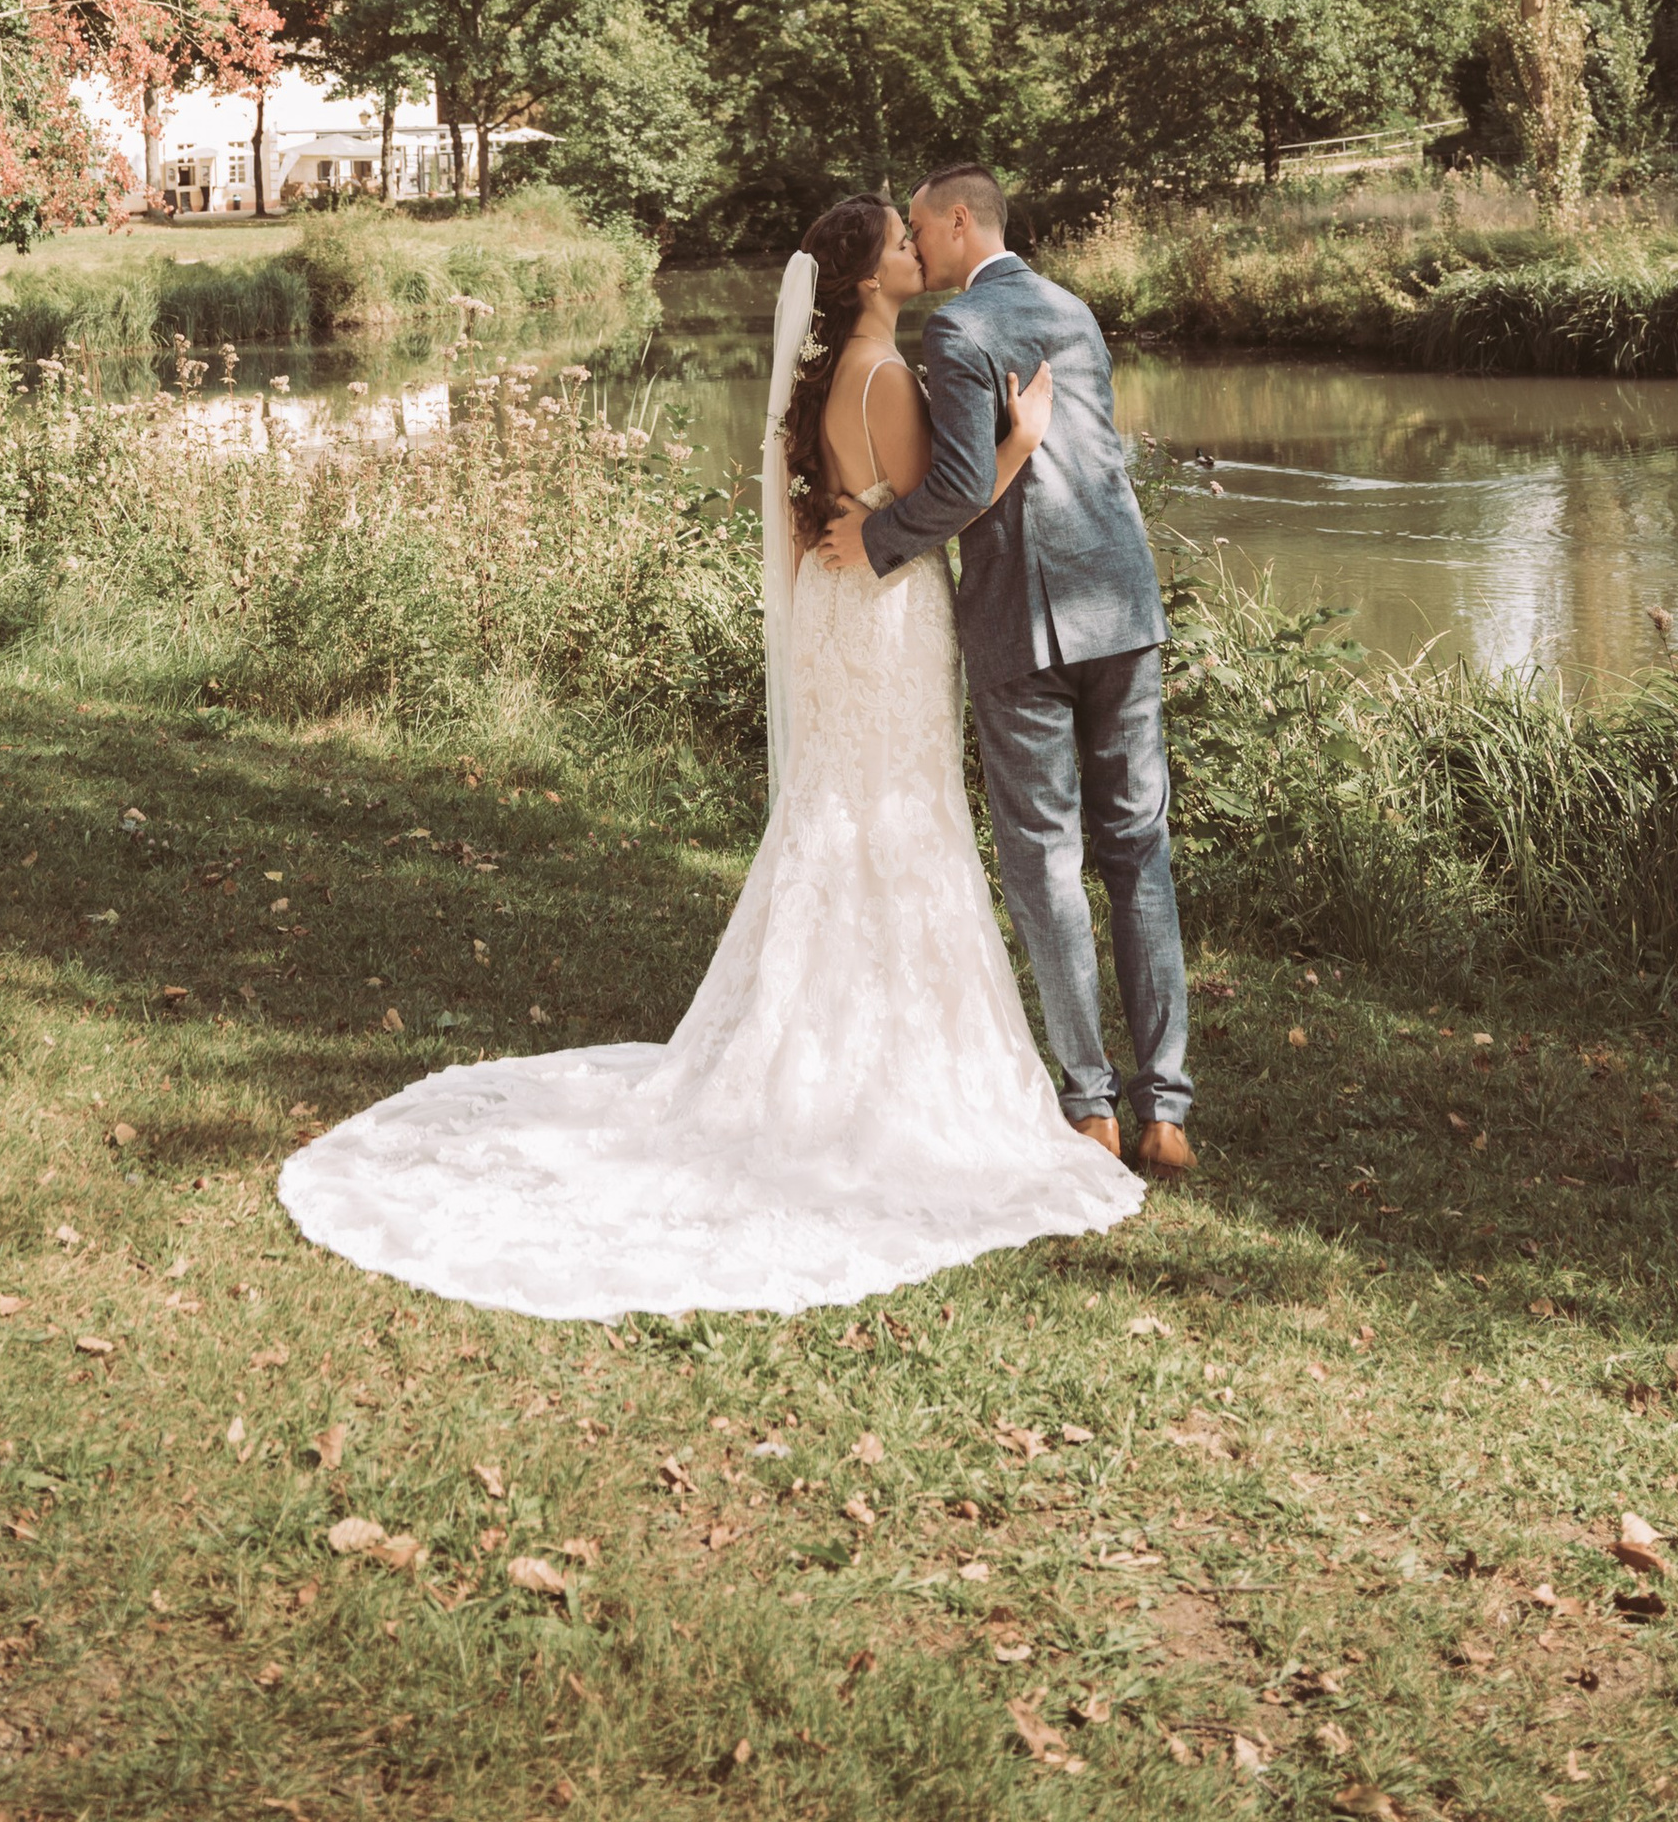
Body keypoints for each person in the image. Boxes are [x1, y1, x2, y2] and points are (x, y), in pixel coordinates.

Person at [277, 191, 1141, 1318]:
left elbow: (842, 507)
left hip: (842, 610)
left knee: (843, 819)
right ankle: (879, 1066)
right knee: (896, 816)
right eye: (894, 241)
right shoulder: (885, 376)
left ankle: (827, 1028)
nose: (910, 248)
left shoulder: (837, 376)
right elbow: (947, 505)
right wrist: (1021, 440)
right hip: (884, 618)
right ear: (866, 276)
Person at [816, 163, 1194, 1176]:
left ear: (953, 219)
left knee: (1042, 858)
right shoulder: (1073, 309)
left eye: (922, 231)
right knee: (1138, 851)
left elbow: (949, 486)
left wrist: (880, 535)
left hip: (1023, 622)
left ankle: (1090, 1106)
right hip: (1122, 607)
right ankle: (1166, 1109)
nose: (918, 251)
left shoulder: (955, 329)